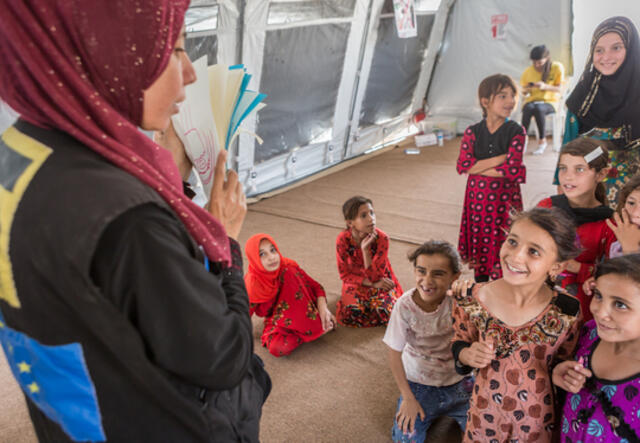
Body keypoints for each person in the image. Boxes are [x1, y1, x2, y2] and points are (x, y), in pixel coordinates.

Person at [0, 1, 269, 441]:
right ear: (100, 52)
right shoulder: (131, 220)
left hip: (76, 417)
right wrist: (226, 245)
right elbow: (224, 357)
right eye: (174, 50)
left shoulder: (18, 146)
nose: (191, 74)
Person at [451, 207, 582, 443]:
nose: (516, 257)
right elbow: (458, 342)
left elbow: (563, 358)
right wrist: (467, 354)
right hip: (484, 414)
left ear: (556, 267)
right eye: (512, 242)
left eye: (534, 251)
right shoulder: (472, 298)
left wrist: (562, 373)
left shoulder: (567, 310)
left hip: (535, 421)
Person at [384, 241, 472, 443]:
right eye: (421, 271)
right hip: (419, 383)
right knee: (405, 438)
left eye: (438, 273)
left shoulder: (461, 301)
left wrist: (468, 294)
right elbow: (394, 353)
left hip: (459, 381)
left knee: (486, 433)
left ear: (455, 277)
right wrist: (407, 397)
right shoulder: (404, 306)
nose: (427, 280)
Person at [553, 254, 640, 441]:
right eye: (599, 295)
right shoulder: (590, 333)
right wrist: (560, 374)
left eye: (620, 304)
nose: (600, 312)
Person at [558, 16, 640, 206]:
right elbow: (568, 146)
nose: (606, 57)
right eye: (599, 50)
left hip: (633, 196)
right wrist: (562, 185)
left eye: (616, 47)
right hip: (590, 194)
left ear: (631, 49)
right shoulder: (582, 96)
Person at [456, 74, 526, 282]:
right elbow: (463, 165)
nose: (511, 101)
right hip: (477, 200)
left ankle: (503, 284)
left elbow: (512, 170)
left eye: (513, 96)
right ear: (485, 102)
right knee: (479, 240)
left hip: (503, 200)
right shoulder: (473, 132)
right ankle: (481, 284)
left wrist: (477, 168)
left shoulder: (516, 131)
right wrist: (500, 159)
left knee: (503, 237)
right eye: (503, 96)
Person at [537, 138, 615, 321]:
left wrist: (577, 267)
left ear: (600, 174)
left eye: (579, 169)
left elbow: (614, 273)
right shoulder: (547, 207)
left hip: (581, 307)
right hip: (540, 296)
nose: (567, 176)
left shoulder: (608, 223)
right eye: (563, 168)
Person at [244, 233, 335, 357]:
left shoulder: (287, 266)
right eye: (262, 254)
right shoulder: (253, 284)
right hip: (278, 320)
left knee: (288, 273)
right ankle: (310, 332)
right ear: (253, 258)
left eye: (272, 250)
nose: (271, 257)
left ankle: (313, 326)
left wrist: (323, 308)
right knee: (277, 348)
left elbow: (316, 287)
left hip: (306, 308)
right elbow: (243, 315)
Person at [336, 196, 402, 327]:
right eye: (364, 215)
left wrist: (365, 251)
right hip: (356, 280)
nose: (371, 218)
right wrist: (372, 284)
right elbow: (344, 275)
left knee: (386, 311)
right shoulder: (342, 240)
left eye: (372, 213)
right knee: (350, 313)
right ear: (350, 223)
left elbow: (376, 276)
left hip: (380, 277)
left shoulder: (382, 238)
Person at [520, 45, 565, 155]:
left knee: (539, 109)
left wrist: (545, 87)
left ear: (547, 58)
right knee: (528, 108)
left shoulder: (557, 67)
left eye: (539, 63)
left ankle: (542, 141)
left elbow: (560, 89)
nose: (536, 65)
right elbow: (523, 91)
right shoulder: (528, 71)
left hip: (550, 102)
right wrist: (528, 89)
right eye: (534, 62)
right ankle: (522, 140)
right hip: (532, 100)